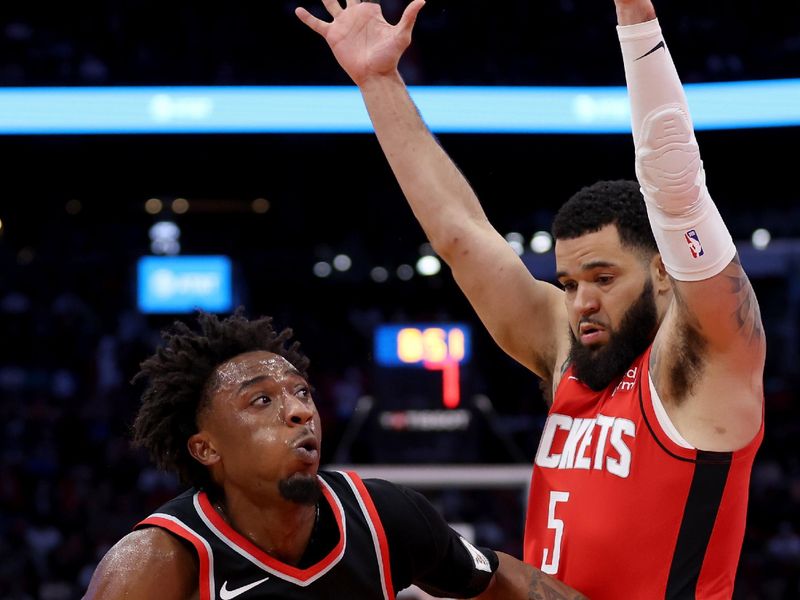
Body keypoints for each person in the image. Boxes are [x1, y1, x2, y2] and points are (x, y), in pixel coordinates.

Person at [295, 0, 765, 597]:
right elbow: (460, 235)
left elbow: (676, 186)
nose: (581, 302)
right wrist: (378, 82)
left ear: (664, 273)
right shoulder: (569, 349)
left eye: (603, 277)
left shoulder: (707, 363)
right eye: (568, 284)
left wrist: (636, 17)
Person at [83, 311, 586, 599]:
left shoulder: (382, 516)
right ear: (206, 447)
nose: (299, 412)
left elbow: (504, 582)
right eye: (262, 400)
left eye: (302, 393)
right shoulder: (156, 563)